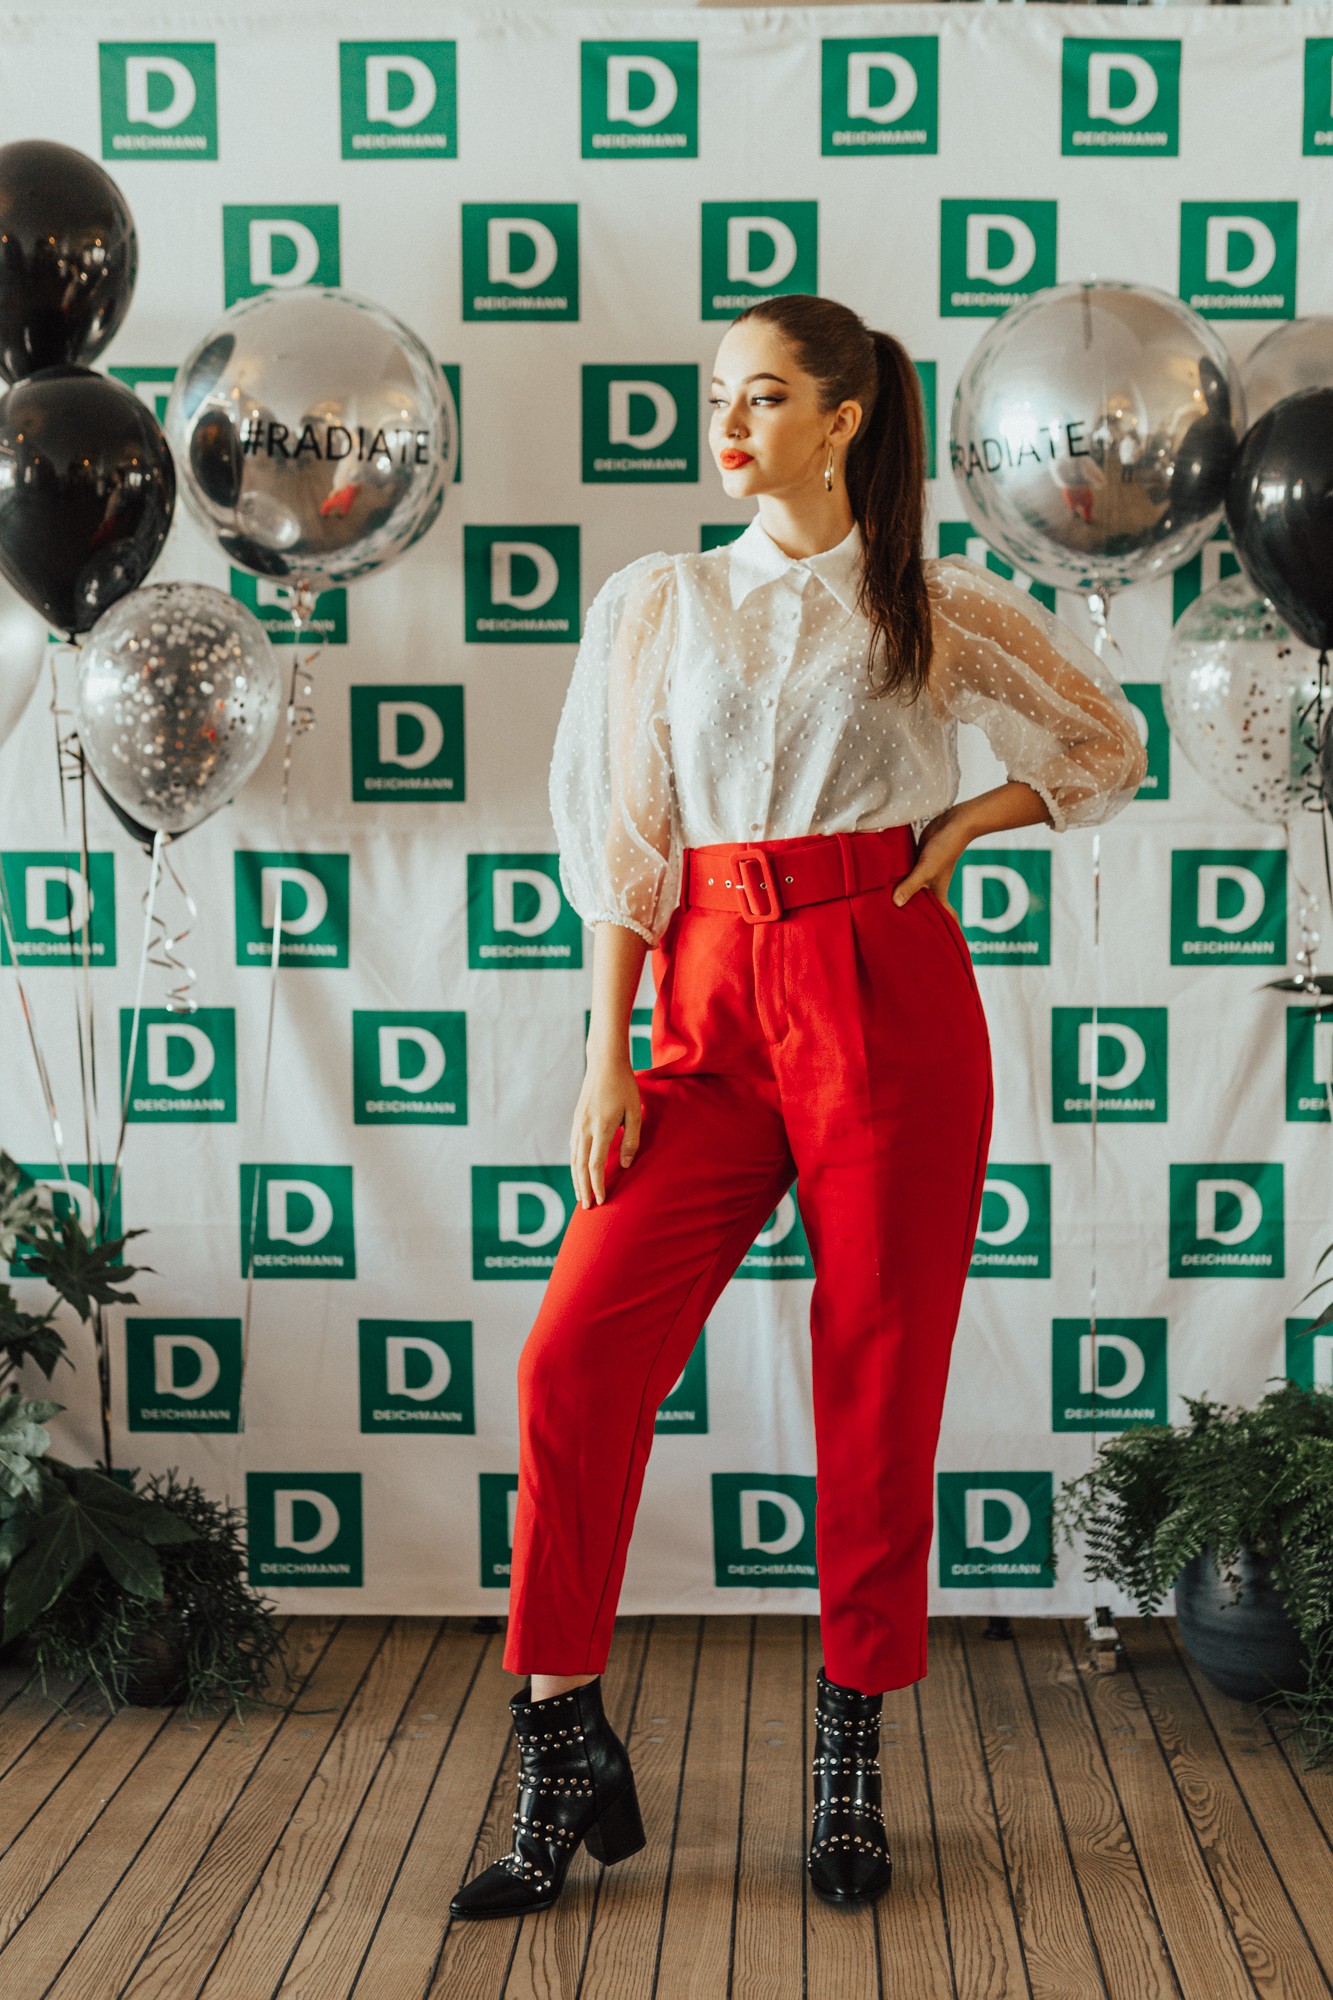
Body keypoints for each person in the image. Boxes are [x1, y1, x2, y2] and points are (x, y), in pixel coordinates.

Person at [450, 293, 1145, 1921]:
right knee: (571, 1357)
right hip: (701, 1000)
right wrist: (606, 1053)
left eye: (761, 396)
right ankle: (558, 1737)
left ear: (842, 419)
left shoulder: (930, 599)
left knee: (877, 1375)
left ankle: (849, 1754)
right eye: (718, 395)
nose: (728, 423)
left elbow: (1102, 741)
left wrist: (964, 823)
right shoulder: (662, 600)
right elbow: (624, 841)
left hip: (882, 992)